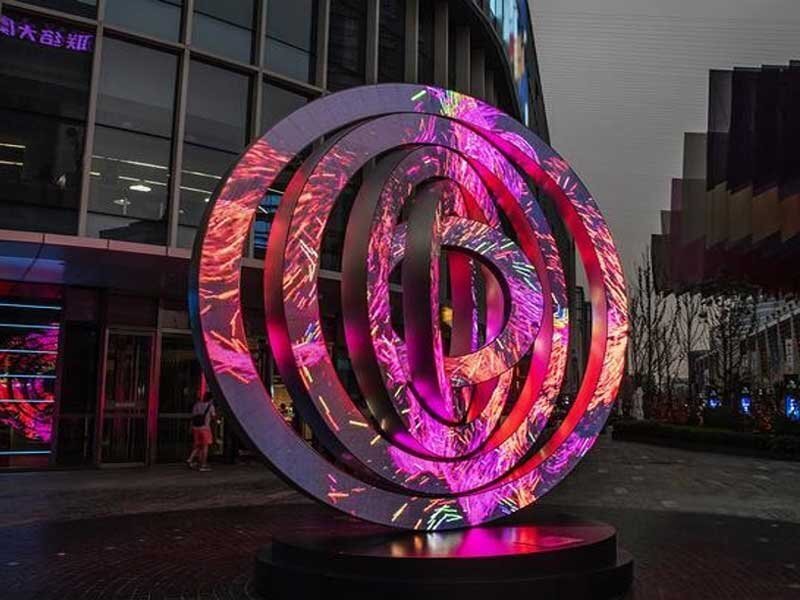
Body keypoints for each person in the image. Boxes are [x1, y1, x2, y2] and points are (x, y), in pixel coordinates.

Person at [187, 392, 216, 472]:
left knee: (198, 445)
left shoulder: (197, 405)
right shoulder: (210, 406)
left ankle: (190, 459)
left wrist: (190, 428)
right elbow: (213, 417)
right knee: (205, 446)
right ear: (211, 399)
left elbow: (193, 417)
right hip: (205, 428)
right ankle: (203, 465)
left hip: (196, 428)